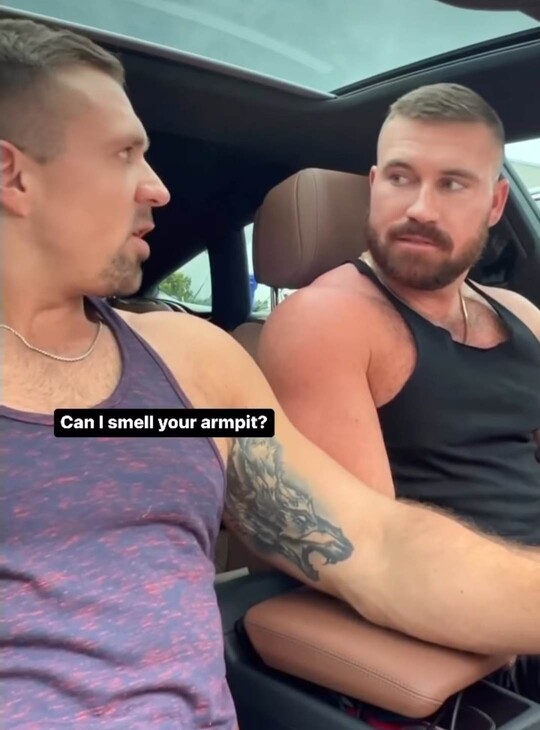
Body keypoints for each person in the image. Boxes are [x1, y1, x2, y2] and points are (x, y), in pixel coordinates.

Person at [1, 20, 540, 729]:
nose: (157, 188)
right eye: (125, 154)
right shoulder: (327, 321)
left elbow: (375, 545)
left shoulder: (193, 371)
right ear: (12, 175)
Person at [257, 83, 540, 706]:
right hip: (479, 653)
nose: (420, 207)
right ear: (374, 183)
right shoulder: (327, 321)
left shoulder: (521, 314)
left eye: (452, 184)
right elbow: (372, 554)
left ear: (496, 203)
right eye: (400, 178)